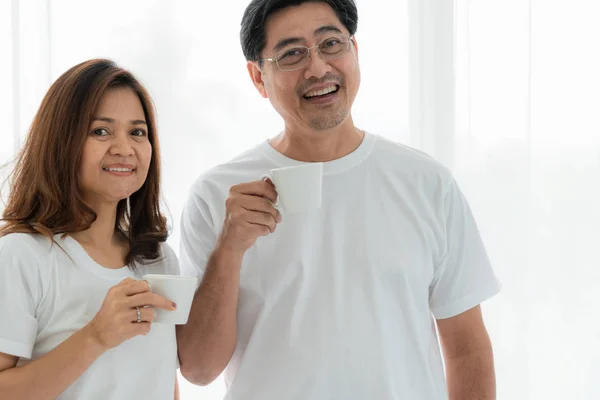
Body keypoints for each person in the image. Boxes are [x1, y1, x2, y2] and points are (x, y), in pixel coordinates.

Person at [176, 1, 501, 399]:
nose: (317, 68)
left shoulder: (427, 183)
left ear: (355, 52)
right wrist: (229, 246)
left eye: (331, 44)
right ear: (258, 78)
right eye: (292, 53)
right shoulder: (217, 195)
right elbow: (198, 370)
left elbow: (468, 349)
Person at [0, 59, 181, 399]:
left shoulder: (157, 260)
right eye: (100, 131)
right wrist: (96, 336)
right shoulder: (22, 256)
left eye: (137, 132)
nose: (124, 148)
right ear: (61, 141)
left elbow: (162, 382)